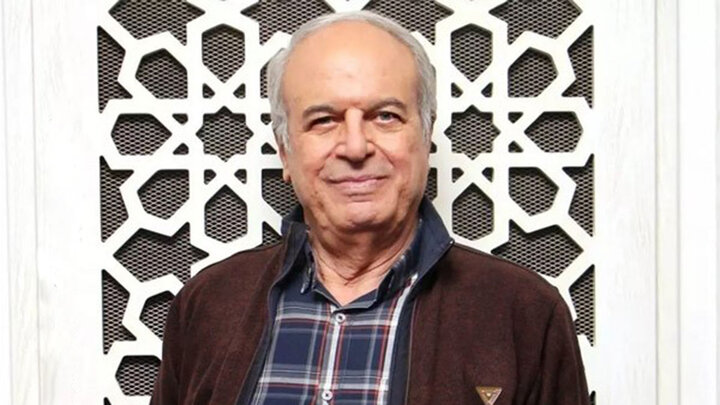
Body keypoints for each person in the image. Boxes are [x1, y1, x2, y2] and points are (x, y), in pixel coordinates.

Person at [150, 11, 589, 405]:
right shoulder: (207, 305)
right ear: (284, 151)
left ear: (426, 135)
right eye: (324, 120)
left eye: (385, 116)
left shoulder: (523, 313)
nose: (356, 147)